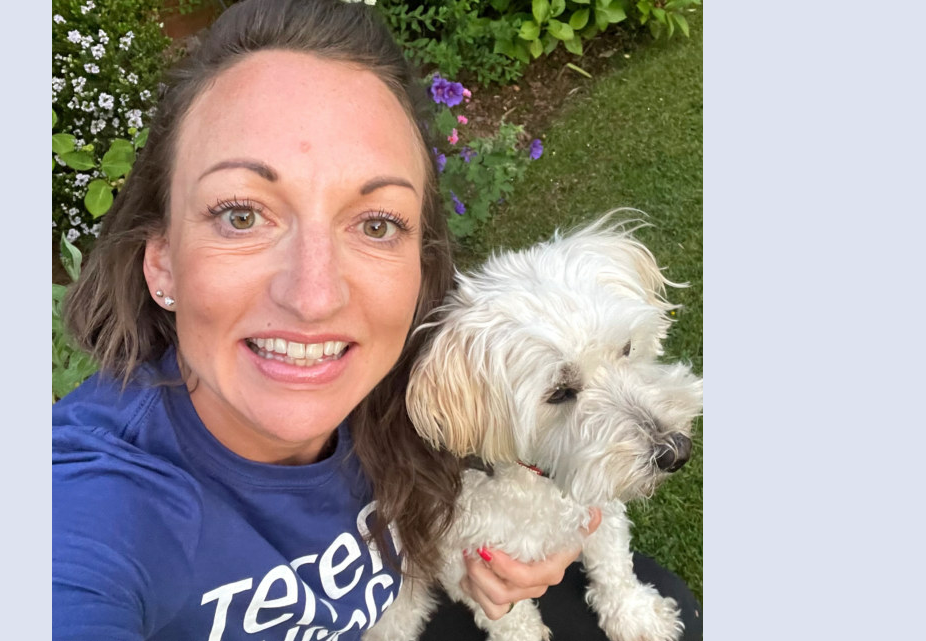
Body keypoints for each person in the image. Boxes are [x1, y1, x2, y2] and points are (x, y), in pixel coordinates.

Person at [52, 0, 702, 639]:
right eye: (242, 214)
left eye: (376, 222)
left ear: (420, 259)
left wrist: (497, 564)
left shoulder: (401, 390)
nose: (313, 296)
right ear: (161, 261)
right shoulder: (92, 505)